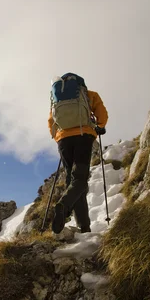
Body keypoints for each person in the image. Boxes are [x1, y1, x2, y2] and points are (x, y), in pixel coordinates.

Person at [48, 76, 108, 234]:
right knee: (80, 179)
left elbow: (51, 122)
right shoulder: (89, 95)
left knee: (73, 182)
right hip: (83, 136)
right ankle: (63, 206)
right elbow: (102, 116)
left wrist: (59, 138)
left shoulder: (56, 99)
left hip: (64, 141)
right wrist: (99, 127)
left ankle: (85, 228)